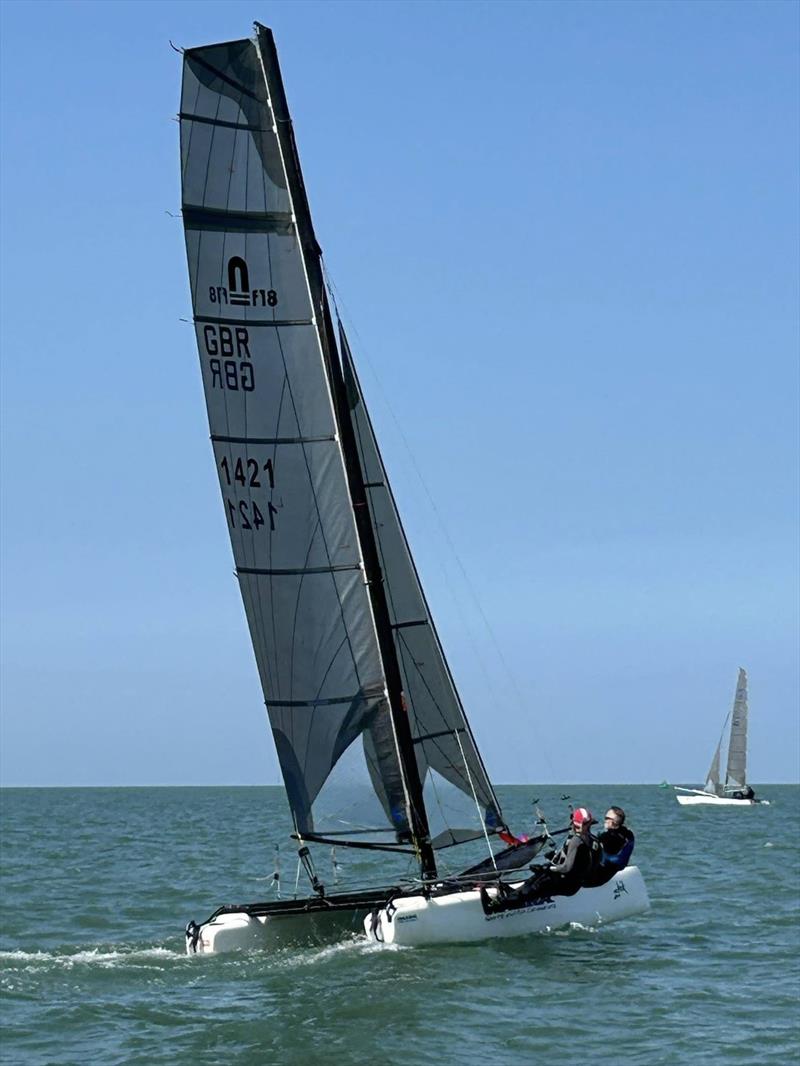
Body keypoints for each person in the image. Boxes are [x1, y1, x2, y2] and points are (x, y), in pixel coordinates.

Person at [480, 806, 598, 912]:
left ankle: (495, 906)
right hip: (573, 884)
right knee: (536, 877)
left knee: (536, 884)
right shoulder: (592, 839)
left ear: (575, 823)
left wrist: (548, 868)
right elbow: (584, 862)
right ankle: (513, 894)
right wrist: (551, 861)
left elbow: (567, 868)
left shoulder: (576, 841)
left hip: (565, 884)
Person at [583, 805, 635, 888]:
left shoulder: (611, 838)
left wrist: (585, 829)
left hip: (596, 879)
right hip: (609, 871)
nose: (604, 820)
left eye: (607, 818)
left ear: (614, 821)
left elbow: (595, 848)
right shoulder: (626, 834)